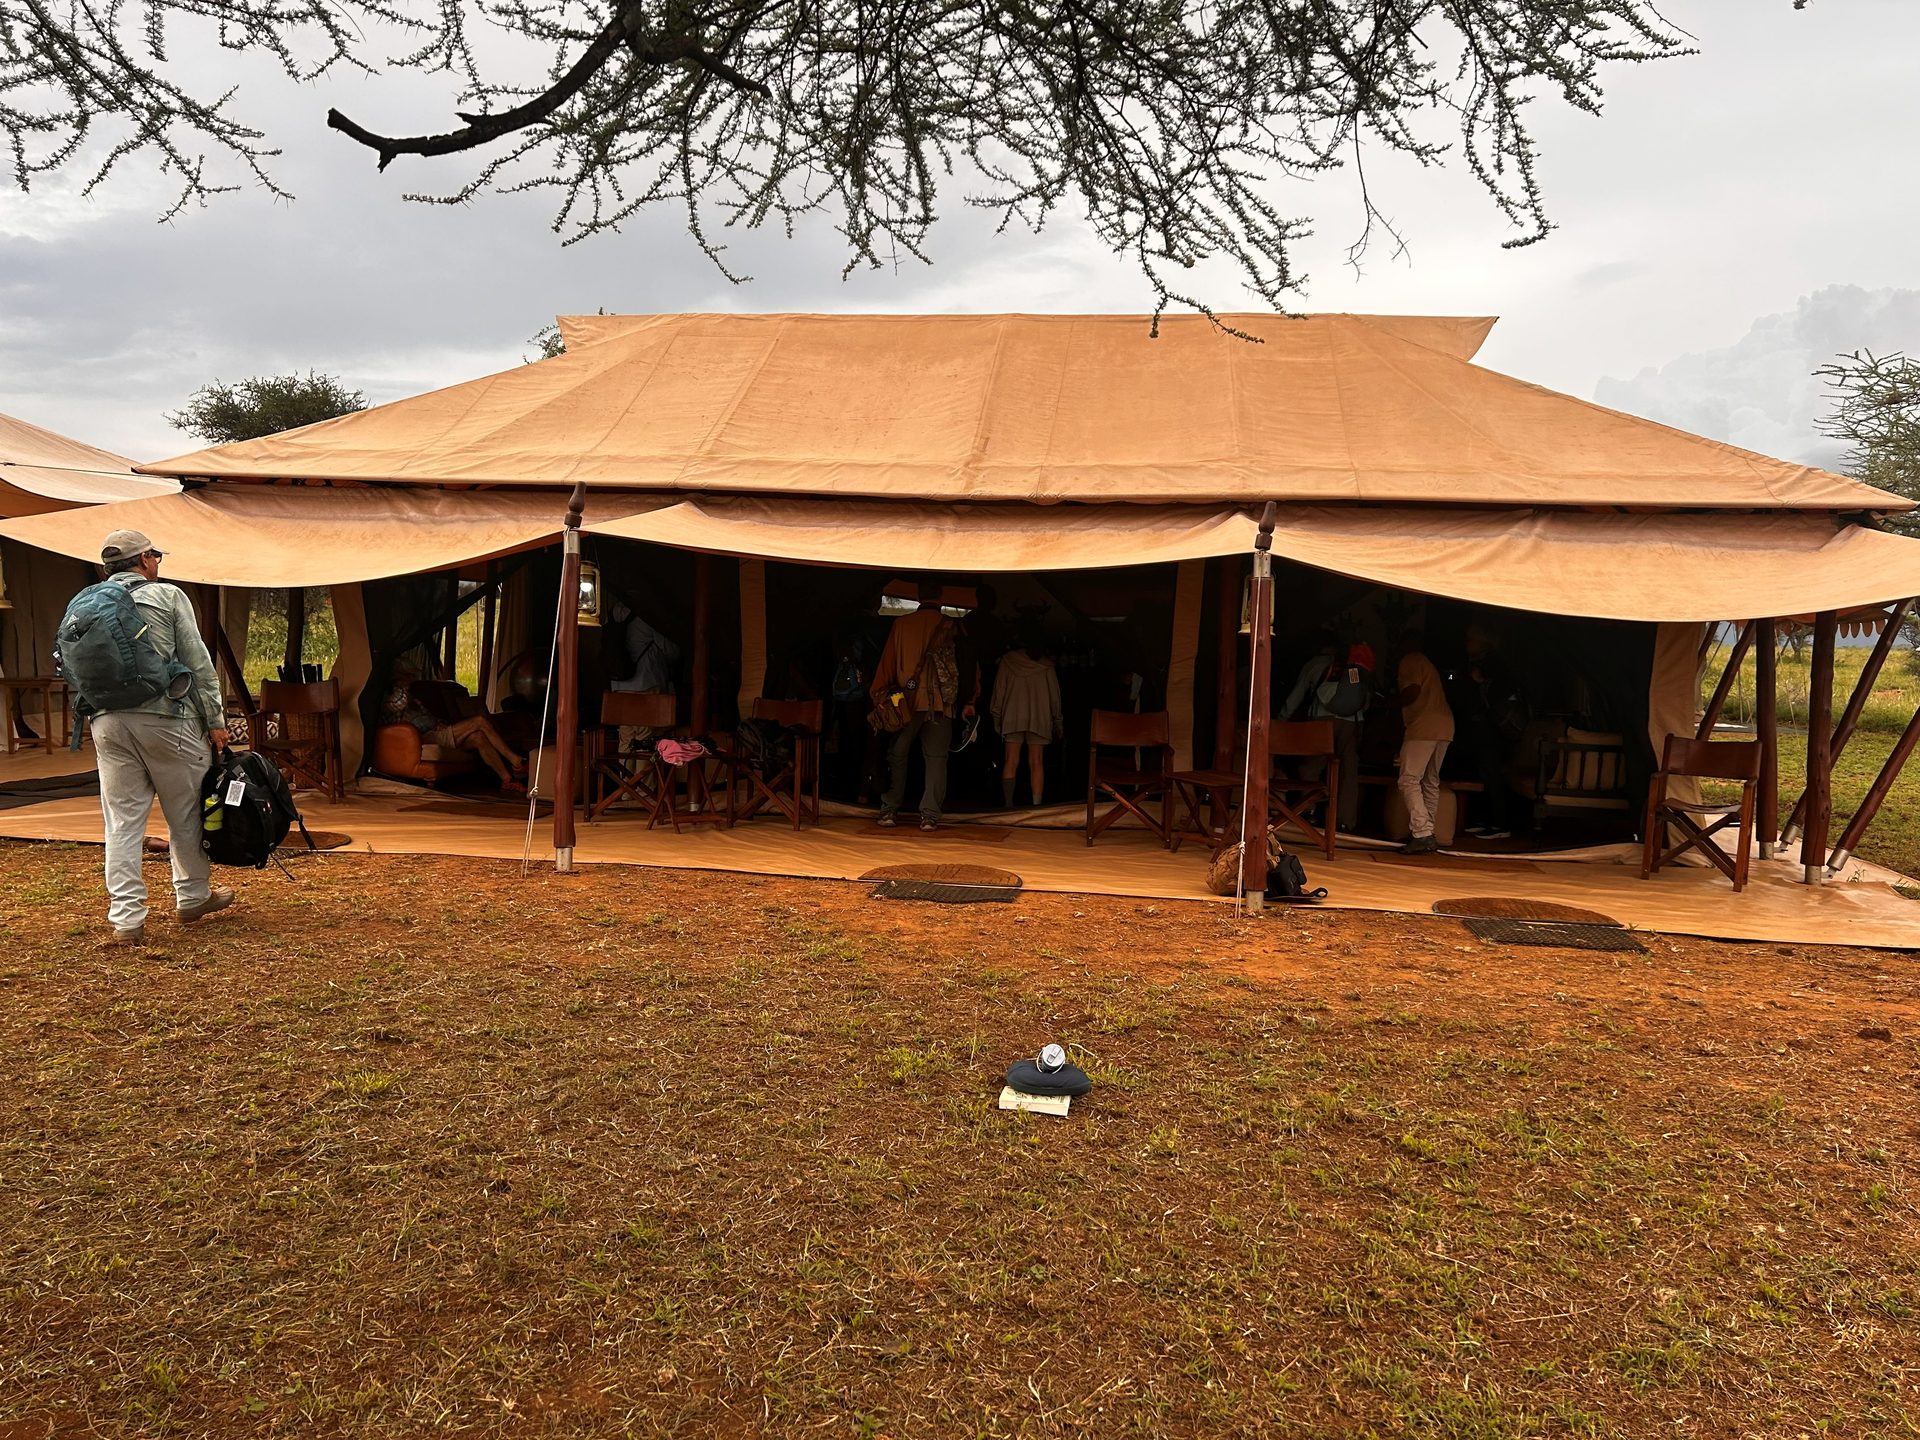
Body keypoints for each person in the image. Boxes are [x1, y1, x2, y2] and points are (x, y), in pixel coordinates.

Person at [84, 529, 234, 944]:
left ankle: (127, 920)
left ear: (106, 568)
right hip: (167, 717)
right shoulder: (167, 597)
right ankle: (192, 897)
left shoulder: (88, 602)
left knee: (122, 822)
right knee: (184, 812)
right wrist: (216, 718)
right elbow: (197, 661)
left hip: (107, 722)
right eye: (156, 558)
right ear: (146, 560)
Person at [869, 580, 977, 830]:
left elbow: (886, 666)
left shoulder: (901, 625)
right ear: (940, 595)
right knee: (937, 759)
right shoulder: (953, 626)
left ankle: (889, 811)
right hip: (942, 704)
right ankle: (929, 816)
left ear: (918, 596)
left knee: (897, 755)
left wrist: (878, 696)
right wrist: (970, 701)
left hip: (905, 705)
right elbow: (970, 668)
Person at [384, 661, 527, 789]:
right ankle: (516, 761)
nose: (411, 680)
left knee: (479, 737)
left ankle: (507, 780)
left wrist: (439, 724)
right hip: (424, 737)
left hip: (436, 731)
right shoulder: (390, 697)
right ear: (398, 678)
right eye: (408, 676)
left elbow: (427, 716)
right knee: (479, 721)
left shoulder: (411, 697)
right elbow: (398, 704)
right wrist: (401, 684)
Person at [1280, 631, 1371, 832]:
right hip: (1352, 723)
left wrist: (1281, 720)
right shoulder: (1354, 667)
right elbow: (1365, 699)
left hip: (1322, 721)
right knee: (1348, 770)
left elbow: (1297, 694)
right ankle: (1345, 820)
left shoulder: (1315, 664)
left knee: (1311, 768)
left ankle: (1309, 811)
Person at [1393, 630, 1455, 854]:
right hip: (1445, 725)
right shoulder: (1427, 663)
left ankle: (1422, 834)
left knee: (1408, 779)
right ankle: (1427, 832)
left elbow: (1412, 691)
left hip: (1423, 726)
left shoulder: (1410, 660)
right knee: (1430, 781)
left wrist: (1392, 703)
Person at [991, 628, 1063, 807]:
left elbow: (999, 692)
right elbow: (1055, 698)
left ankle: (1008, 805)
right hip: (1040, 719)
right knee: (1037, 762)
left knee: (1010, 760)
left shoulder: (1007, 661)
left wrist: (996, 716)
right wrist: (1058, 721)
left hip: (1012, 717)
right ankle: (1036, 805)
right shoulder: (1046, 666)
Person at [607, 598, 682, 696]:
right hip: (648, 685)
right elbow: (671, 652)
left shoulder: (613, 613)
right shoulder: (649, 616)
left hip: (618, 686)